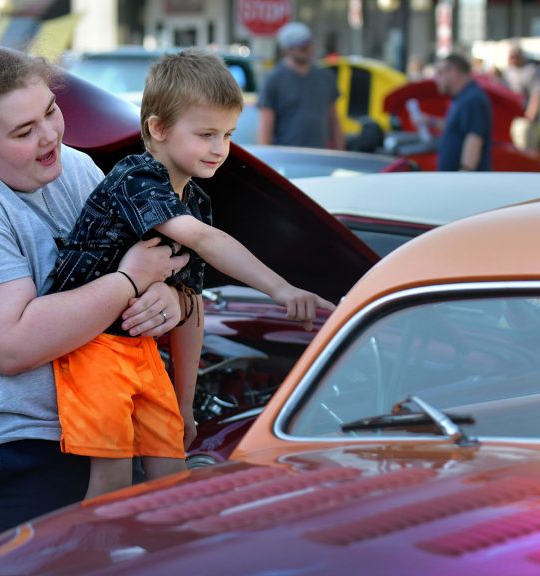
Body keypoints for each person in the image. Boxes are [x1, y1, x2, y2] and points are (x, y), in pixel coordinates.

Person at [0, 46, 189, 554]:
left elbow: (160, 264)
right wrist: (131, 283)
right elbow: (13, 345)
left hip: (95, 433)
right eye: (23, 132)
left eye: (50, 111)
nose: (49, 136)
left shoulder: (76, 169)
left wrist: (169, 298)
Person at [49, 49, 336, 500]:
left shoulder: (197, 201)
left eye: (227, 134)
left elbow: (191, 307)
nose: (220, 148)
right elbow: (206, 241)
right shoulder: (136, 177)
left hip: (142, 351)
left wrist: (185, 402)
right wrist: (280, 289)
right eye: (205, 134)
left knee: (172, 474)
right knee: (111, 483)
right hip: (91, 348)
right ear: (158, 128)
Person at [257, 21, 344, 150]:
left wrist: (340, 151)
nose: (307, 50)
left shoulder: (325, 77)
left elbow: (334, 121)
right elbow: (265, 127)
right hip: (286, 160)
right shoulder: (273, 80)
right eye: (302, 47)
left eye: (308, 45)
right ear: (287, 49)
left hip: (320, 157)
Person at [419, 53, 492, 172]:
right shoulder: (462, 98)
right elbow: (454, 128)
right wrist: (429, 121)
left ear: (453, 72)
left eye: (440, 73)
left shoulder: (472, 99)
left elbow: (474, 138)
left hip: (462, 184)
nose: (436, 78)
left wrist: (465, 173)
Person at [502, 44, 540, 151]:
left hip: (525, 116)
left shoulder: (530, 71)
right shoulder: (508, 71)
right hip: (512, 116)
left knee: (524, 147)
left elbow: (537, 93)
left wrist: (530, 115)